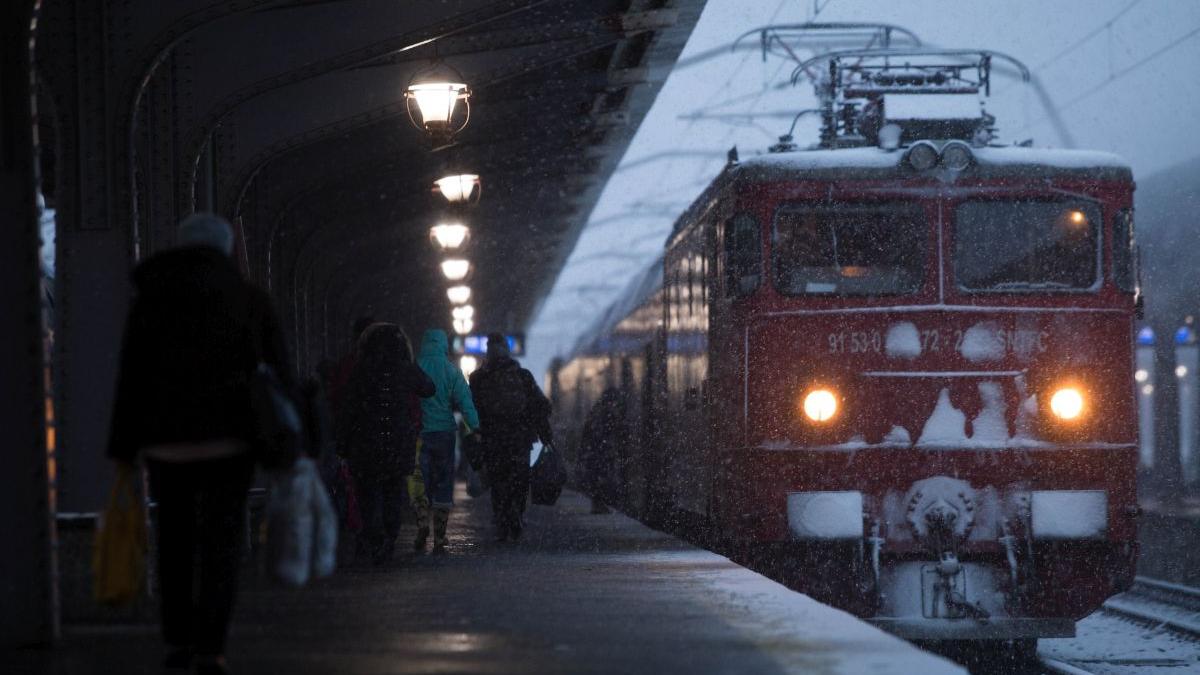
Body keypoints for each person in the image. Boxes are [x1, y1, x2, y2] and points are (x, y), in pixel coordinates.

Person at [106, 213, 289, 675]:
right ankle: (211, 645)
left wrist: (123, 447)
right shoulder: (248, 299)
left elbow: (131, 376)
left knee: (175, 541)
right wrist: (290, 442)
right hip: (231, 440)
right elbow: (279, 373)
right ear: (226, 249)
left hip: (167, 443)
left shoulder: (151, 299)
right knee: (221, 543)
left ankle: (178, 640)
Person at [337, 323, 434, 563]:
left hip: (366, 440)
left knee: (368, 494)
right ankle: (390, 536)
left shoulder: (362, 369)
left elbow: (347, 407)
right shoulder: (404, 368)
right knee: (393, 491)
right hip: (398, 442)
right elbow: (429, 388)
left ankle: (373, 535)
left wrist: (342, 443)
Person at [469, 333, 551, 541]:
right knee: (520, 480)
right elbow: (540, 406)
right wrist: (544, 432)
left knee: (498, 481)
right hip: (519, 439)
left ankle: (501, 517)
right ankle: (517, 513)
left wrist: (477, 433)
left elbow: (471, 408)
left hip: (493, 439)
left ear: (488, 351)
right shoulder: (523, 375)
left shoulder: (478, 378)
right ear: (507, 350)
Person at [415, 328, 480, 553]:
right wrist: (476, 426)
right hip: (444, 433)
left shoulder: (415, 366)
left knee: (420, 480)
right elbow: (465, 401)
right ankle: (440, 536)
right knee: (443, 480)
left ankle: (422, 524)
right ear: (444, 345)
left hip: (419, 434)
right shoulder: (451, 370)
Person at [580, 386, 625, 514]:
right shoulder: (607, 413)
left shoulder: (595, 411)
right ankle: (599, 505)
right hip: (601, 452)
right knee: (603, 479)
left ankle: (598, 504)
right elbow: (608, 433)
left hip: (594, 452)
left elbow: (588, 433)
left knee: (597, 479)